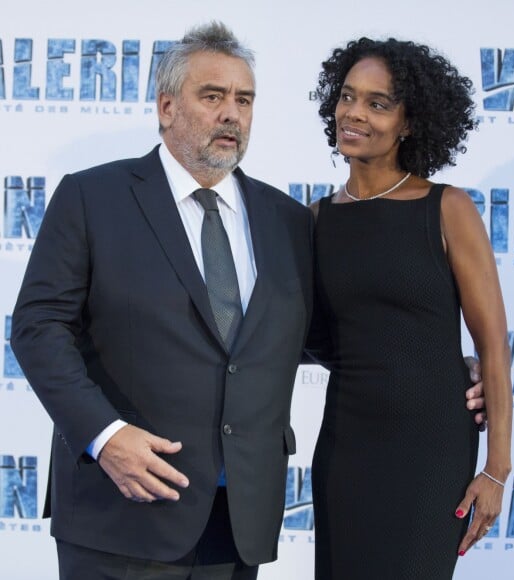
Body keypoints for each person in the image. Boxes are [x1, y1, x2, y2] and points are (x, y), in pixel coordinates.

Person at [10, 22, 486, 580]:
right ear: (166, 107)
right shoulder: (92, 197)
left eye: (244, 99)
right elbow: (38, 327)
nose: (231, 113)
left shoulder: (286, 219)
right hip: (122, 508)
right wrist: (103, 435)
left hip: (237, 521)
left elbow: (325, 337)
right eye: (211, 97)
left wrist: (444, 367)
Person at [308, 36, 513, 580]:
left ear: (409, 123)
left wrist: (496, 470)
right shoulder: (315, 220)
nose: (354, 113)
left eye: (378, 104)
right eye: (348, 97)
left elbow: (492, 344)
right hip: (346, 444)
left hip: (432, 448)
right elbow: (314, 337)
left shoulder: (446, 208)